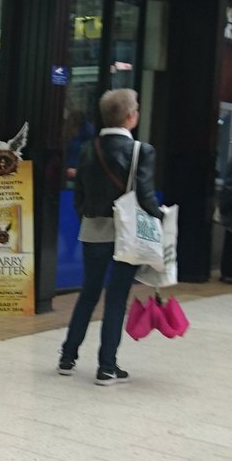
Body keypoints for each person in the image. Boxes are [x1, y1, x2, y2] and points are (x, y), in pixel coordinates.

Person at [58, 88, 162, 384]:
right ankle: (107, 367)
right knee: (116, 298)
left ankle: (67, 357)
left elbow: (79, 195)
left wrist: (89, 216)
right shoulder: (141, 151)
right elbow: (146, 196)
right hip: (127, 237)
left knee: (88, 294)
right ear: (131, 117)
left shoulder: (88, 149)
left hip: (93, 230)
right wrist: (160, 218)